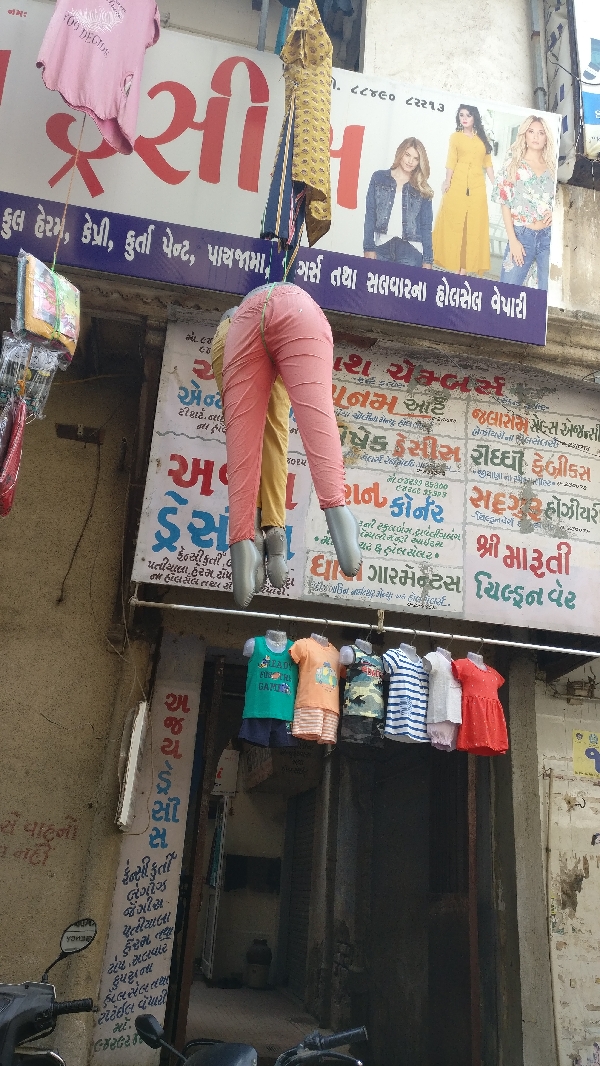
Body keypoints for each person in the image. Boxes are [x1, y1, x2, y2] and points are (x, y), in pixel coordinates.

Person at [222, 282, 361, 609]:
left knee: (242, 444)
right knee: (316, 413)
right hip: (297, 309)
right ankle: (338, 512)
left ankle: (242, 545)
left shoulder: (225, 332)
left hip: (241, 324)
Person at [211, 310, 291, 591]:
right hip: (275, 328)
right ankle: (273, 533)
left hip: (231, 332)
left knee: (245, 439)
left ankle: (254, 533)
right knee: (273, 438)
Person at [493, 115, 556, 291]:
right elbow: (505, 203)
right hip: (522, 236)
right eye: (531, 131)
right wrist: (513, 241)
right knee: (507, 292)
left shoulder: (553, 167)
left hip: (548, 238)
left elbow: (559, 200)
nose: (536, 136)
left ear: (546, 138)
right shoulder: (513, 164)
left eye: (541, 133)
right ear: (525, 135)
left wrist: (555, 213)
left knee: (545, 294)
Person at [432, 104, 494, 276]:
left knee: (472, 226)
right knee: (455, 223)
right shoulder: (455, 137)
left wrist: (496, 184)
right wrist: (447, 181)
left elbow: (488, 164)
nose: (464, 118)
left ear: (475, 118)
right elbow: (451, 160)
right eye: (461, 115)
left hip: (477, 187)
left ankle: (464, 269)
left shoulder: (482, 139)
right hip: (457, 185)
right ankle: (454, 265)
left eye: (468, 115)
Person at [363, 137, 433, 267]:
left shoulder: (422, 188)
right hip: (381, 246)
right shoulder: (379, 178)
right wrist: (368, 247)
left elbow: (426, 226)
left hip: (411, 251)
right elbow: (370, 214)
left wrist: (427, 260)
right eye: (407, 155)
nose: (410, 161)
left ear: (419, 162)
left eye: (416, 158)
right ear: (400, 153)